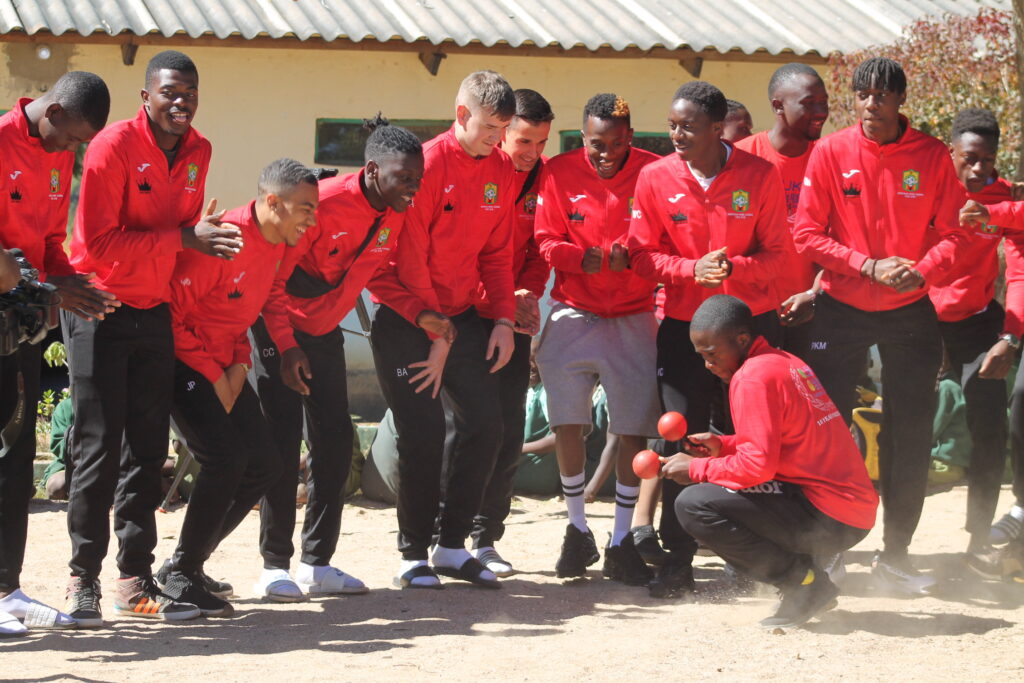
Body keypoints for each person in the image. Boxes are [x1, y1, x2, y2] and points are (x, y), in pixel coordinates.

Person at [64, 50, 243, 627]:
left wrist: (190, 243)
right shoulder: (112, 148)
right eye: (169, 91)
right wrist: (187, 237)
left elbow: (181, 240)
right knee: (98, 445)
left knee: (147, 449)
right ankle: (82, 580)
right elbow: (99, 244)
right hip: (99, 303)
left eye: (189, 92)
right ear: (146, 97)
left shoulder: (199, 152)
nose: (181, 101)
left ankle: (133, 580)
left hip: (154, 309)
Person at [793, 57, 969, 594]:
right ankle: (829, 548)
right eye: (864, 95)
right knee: (826, 429)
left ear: (900, 101)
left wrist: (922, 270)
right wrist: (866, 265)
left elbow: (957, 236)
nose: (873, 105)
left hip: (908, 305)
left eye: (883, 96)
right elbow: (805, 233)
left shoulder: (933, 156)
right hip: (842, 304)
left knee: (909, 430)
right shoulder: (830, 151)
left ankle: (896, 554)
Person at [627, 81, 791, 597]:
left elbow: (779, 256)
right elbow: (640, 255)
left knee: (752, 439)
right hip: (682, 329)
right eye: (672, 125)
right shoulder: (654, 177)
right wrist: (688, 269)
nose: (676, 134)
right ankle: (676, 562)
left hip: (749, 331)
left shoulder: (761, 175)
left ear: (718, 129)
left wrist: (733, 268)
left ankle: (753, 558)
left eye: (689, 127)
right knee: (683, 436)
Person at [249, 118, 424, 600]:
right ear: (372, 171)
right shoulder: (323, 204)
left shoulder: (396, 213)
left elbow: (383, 278)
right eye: (404, 178)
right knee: (282, 442)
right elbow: (273, 282)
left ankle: (316, 563)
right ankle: (273, 565)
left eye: (417, 179)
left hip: (323, 332)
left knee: (334, 441)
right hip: (278, 325)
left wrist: (422, 313)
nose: (413, 188)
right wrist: (285, 346)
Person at [369, 70, 517, 590]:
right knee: (424, 432)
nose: (498, 139)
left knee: (486, 425)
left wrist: (502, 319)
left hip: (461, 316)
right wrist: (434, 334)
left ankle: (452, 547)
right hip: (410, 314)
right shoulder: (425, 166)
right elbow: (411, 259)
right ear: (461, 115)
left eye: (504, 129)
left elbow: (498, 254)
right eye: (489, 127)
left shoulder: (501, 168)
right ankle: (412, 553)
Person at [156, 158, 318, 617]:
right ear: (272, 202)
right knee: (225, 458)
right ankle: (181, 573)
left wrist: (242, 366)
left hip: (226, 361)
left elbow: (261, 302)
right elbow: (170, 317)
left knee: (265, 465)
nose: (313, 219)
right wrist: (214, 375)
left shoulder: (280, 244)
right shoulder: (223, 239)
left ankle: (187, 564)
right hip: (181, 361)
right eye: (305, 208)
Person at [666, 294, 878, 628]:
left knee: (694, 503)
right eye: (702, 356)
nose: (708, 364)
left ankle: (805, 584)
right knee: (713, 493)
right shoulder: (783, 361)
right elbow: (786, 440)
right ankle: (808, 580)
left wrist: (696, 469)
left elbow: (756, 468)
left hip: (832, 517)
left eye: (712, 353)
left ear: (741, 339)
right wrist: (722, 445)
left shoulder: (751, 378)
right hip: (851, 509)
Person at [0, 71, 112, 636]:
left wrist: (77, 285)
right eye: (71, 139)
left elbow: (46, 243)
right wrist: (49, 291)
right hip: (6, 309)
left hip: (20, 326)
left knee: (17, 459)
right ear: (53, 114)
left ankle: (7, 590)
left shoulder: (58, 154)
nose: (72, 151)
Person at [534, 92, 660, 585]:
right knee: (567, 422)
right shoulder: (559, 172)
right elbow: (544, 239)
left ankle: (622, 539)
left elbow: (664, 237)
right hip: (574, 310)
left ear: (630, 137)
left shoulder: (654, 172)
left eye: (612, 143)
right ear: (582, 137)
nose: (602, 153)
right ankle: (577, 528)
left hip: (634, 313)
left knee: (633, 429)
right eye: (593, 143)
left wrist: (635, 252)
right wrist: (573, 257)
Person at [924, 109, 1024, 575]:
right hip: (918, 322)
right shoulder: (926, 190)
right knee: (907, 433)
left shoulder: (1004, 199)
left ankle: (977, 541)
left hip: (978, 327)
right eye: (971, 158)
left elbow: (1019, 271)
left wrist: (1011, 336)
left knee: (989, 432)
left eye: (989, 159)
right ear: (951, 154)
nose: (980, 168)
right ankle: (895, 549)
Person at [465, 88, 553, 576]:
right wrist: (497, 301)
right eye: (524, 141)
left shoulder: (546, 178)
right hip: (466, 313)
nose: (532, 153)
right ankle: (443, 532)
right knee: (466, 428)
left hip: (513, 317)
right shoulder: (474, 170)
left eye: (541, 143)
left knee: (506, 428)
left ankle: (486, 536)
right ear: (501, 133)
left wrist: (527, 296)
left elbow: (540, 248)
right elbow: (463, 250)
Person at [735, 63, 830, 351]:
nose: (821, 112)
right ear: (778, 105)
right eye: (809, 103)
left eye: (823, 103)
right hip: (751, 313)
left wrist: (814, 294)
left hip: (814, 310)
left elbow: (844, 238)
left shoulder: (831, 160)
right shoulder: (742, 159)